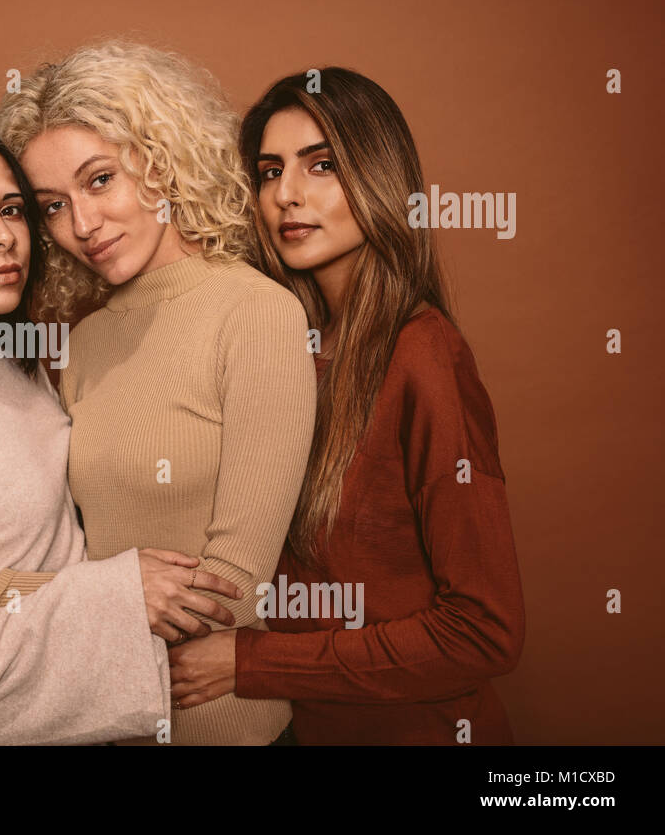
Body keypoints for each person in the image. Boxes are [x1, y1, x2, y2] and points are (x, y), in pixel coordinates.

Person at [0, 112, 244, 745]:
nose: (3, 237)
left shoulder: (26, 374)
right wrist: (118, 595)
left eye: (12, 209)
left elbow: (32, 573)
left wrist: (16, 593)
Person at [168, 66, 525, 745]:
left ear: (378, 176)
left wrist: (251, 662)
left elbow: (485, 630)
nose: (287, 195)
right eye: (270, 171)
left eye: (321, 164)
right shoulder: (281, 347)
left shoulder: (425, 353)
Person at [0, 41, 317, 745]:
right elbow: (77, 554)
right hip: (97, 719)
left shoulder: (255, 313)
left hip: (222, 727)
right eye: (52, 205)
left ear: (159, 157)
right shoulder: (80, 346)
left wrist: (1, 598)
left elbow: (237, 582)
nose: (82, 225)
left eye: (99, 179)